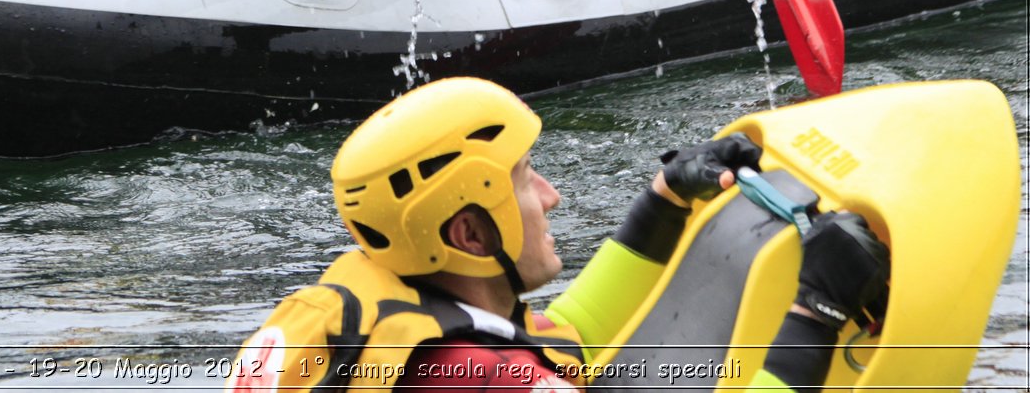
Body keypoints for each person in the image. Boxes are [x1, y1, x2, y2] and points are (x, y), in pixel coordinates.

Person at [227, 76, 892, 393]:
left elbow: (565, 336)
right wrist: (816, 313)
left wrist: (662, 201)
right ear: (469, 229)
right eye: (524, 179)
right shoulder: (484, 381)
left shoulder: (376, 304)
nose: (551, 194)